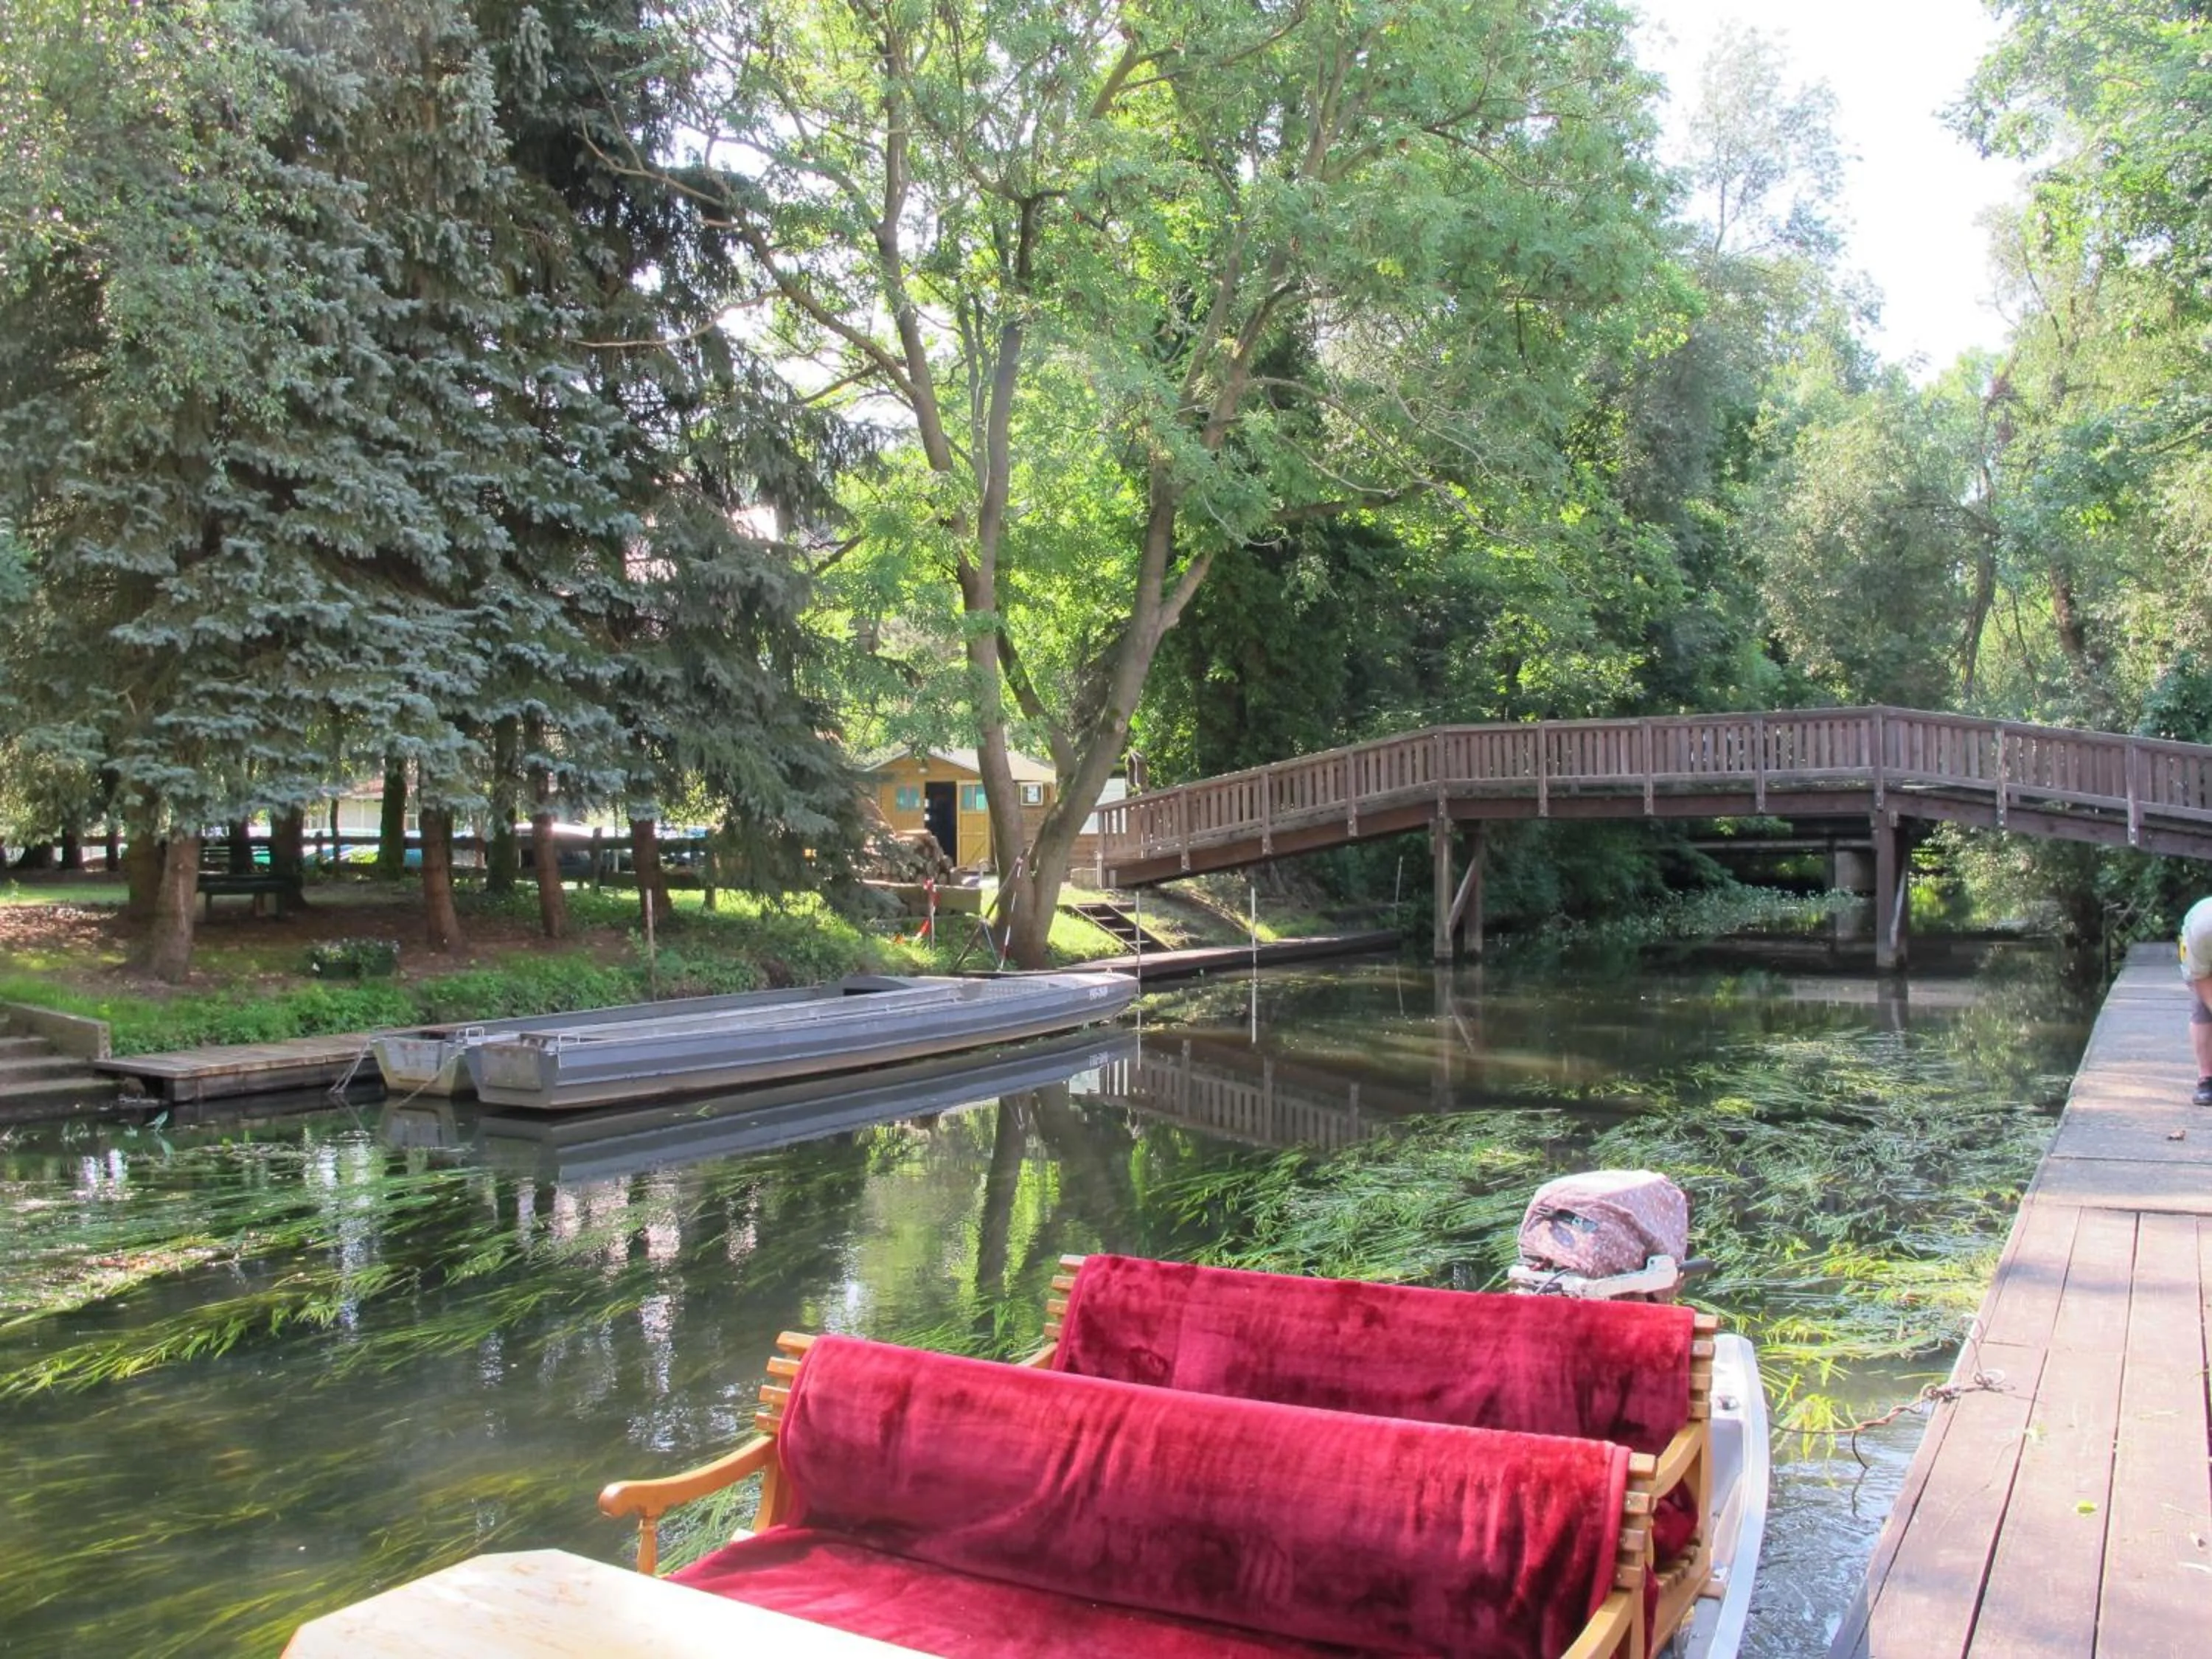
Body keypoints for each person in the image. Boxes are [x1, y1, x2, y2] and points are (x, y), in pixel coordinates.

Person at [2184, 895, 2212, 1106]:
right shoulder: (2203, 929)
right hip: (2201, 957)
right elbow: (2201, 978)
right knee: (2203, 1006)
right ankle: (2206, 1078)